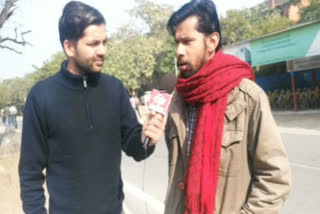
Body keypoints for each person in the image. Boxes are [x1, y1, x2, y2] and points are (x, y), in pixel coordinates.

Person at [19, 1, 165, 214]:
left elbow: (135, 147)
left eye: (105, 42)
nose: (103, 51)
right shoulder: (41, 97)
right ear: (69, 47)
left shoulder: (114, 88)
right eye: (94, 44)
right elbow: (30, 173)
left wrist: (147, 137)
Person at [164, 1, 291, 214]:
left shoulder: (247, 97)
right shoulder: (178, 99)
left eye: (187, 42)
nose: (179, 51)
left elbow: (275, 177)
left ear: (212, 41)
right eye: (176, 42)